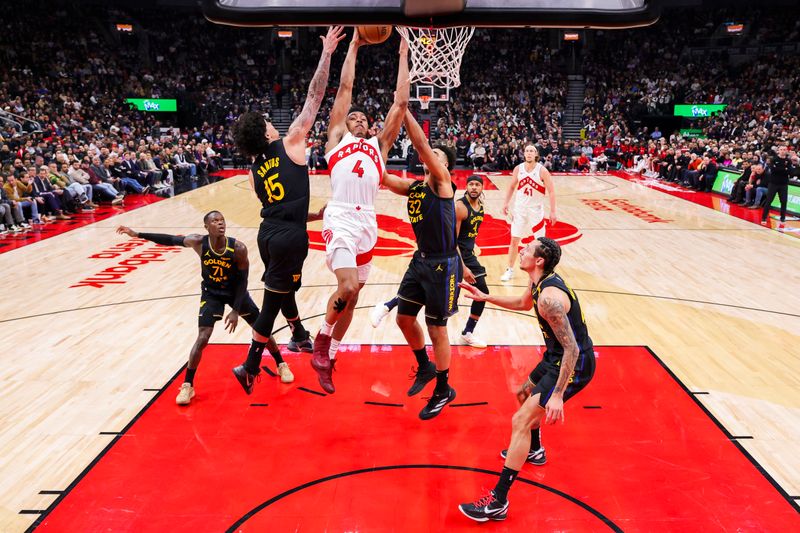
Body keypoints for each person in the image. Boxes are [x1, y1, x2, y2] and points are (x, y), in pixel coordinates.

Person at [230, 26, 344, 395]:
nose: (271, 123)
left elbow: (278, 207)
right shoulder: (292, 140)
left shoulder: (253, 170)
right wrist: (326, 52)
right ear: (264, 133)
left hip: (271, 234)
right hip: (288, 238)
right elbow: (315, 95)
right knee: (271, 303)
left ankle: (297, 333)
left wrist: (314, 215)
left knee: (285, 290)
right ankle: (250, 365)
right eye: (266, 122)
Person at [457, 238, 596, 522]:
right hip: (555, 356)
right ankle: (535, 450)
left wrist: (557, 395)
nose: (521, 250)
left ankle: (498, 501)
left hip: (573, 364)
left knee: (520, 420)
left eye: (527, 250)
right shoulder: (538, 282)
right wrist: (486, 297)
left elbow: (573, 349)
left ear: (539, 261)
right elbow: (522, 303)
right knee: (523, 394)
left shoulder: (550, 299)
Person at [310, 32, 409, 394]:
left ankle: (331, 357)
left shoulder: (378, 146)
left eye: (363, 118)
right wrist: (352, 46)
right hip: (340, 217)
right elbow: (345, 89)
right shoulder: (338, 139)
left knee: (354, 296)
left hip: (369, 220)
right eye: (353, 117)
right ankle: (322, 340)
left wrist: (403, 53)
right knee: (347, 285)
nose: (358, 119)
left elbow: (400, 104)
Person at [116, 212, 291, 406]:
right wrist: (138, 234)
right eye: (215, 221)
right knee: (202, 337)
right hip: (212, 293)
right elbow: (170, 240)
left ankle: (281, 363)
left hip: (235, 293)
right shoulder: (198, 242)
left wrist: (235, 310)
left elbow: (243, 282)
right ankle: (187, 385)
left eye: (222, 220)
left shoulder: (238, 248)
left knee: (261, 328)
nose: (220, 224)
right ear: (207, 227)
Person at [377, 109, 461, 420]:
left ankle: (443, 389)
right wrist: (376, 146)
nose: (429, 156)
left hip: (442, 265)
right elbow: (382, 176)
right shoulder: (414, 187)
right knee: (403, 318)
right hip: (420, 260)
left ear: (444, 165)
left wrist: (403, 108)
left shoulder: (443, 182)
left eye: (436, 155)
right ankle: (424, 366)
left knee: (436, 328)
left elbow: (422, 144)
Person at [501, 144, 557, 282]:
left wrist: (553, 211)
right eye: (527, 151)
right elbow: (511, 186)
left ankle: (543, 271)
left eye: (531, 151)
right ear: (524, 154)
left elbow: (551, 191)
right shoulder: (518, 169)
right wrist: (506, 203)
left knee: (540, 243)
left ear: (536, 153)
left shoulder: (542, 171)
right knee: (514, 240)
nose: (529, 153)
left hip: (535, 210)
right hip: (520, 209)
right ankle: (510, 269)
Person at [762, 145, 795, 224]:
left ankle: (782, 218)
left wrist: (781, 169)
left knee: (784, 201)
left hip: (783, 184)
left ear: (786, 151)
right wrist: (785, 169)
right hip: (773, 183)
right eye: (781, 149)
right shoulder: (774, 159)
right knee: (769, 201)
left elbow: (791, 172)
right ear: (778, 151)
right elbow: (773, 170)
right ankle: (764, 218)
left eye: (784, 149)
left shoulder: (788, 160)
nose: (783, 151)